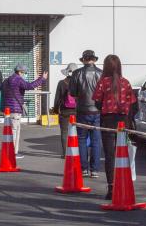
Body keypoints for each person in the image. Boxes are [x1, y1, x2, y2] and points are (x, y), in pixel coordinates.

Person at [93, 54, 137, 200]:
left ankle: (111, 188)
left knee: (109, 155)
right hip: (123, 120)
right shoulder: (126, 82)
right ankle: (123, 185)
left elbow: (97, 102)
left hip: (107, 120)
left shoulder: (102, 82)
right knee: (122, 154)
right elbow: (132, 104)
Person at [69, 50, 103, 178]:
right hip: (97, 110)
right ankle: (94, 169)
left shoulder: (77, 73)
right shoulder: (101, 73)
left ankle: (84, 168)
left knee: (82, 140)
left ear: (83, 60)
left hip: (82, 110)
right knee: (95, 140)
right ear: (94, 59)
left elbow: (72, 92)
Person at [3, 63, 48, 158]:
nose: (25, 74)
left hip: (8, 108)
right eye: (24, 72)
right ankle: (13, 153)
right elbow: (30, 86)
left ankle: (10, 151)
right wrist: (42, 79)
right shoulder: (18, 79)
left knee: (10, 131)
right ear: (19, 72)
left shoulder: (8, 80)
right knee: (15, 131)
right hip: (15, 109)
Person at [52, 63, 79, 157]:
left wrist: (55, 110)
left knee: (64, 132)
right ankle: (76, 152)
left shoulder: (61, 83)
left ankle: (65, 154)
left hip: (64, 111)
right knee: (78, 132)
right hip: (77, 111)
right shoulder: (79, 83)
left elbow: (57, 98)